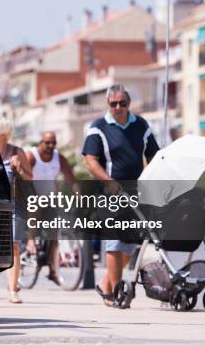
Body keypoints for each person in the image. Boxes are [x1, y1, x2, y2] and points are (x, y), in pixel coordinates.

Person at [82, 84, 159, 307]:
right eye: (113, 103)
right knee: (114, 243)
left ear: (128, 104)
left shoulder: (141, 125)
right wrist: (109, 182)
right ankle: (115, 294)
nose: (118, 107)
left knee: (131, 244)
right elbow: (90, 161)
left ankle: (106, 283)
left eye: (122, 103)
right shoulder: (99, 127)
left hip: (137, 192)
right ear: (108, 103)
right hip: (110, 193)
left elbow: (154, 155)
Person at [0, 116, 33, 304]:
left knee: (15, 246)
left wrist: (19, 169)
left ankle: (12, 290)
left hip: (13, 204)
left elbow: (29, 179)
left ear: (2, 134)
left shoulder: (17, 152)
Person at [25, 131, 77, 286]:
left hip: (50, 198)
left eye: (53, 143)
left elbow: (71, 179)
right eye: (47, 142)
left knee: (54, 234)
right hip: (31, 195)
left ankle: (53, 271)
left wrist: (78, 193)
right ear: (41, 142)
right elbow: (23, 178)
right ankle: (31, 241)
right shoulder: (32, 156)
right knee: (35, 206)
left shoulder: (58, 158)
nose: (51, 146)